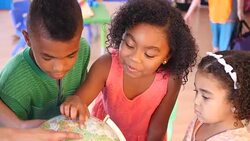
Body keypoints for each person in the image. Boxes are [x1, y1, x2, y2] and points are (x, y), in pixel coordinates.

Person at [60, 0, 198, 140]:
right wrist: (74, 102)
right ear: (122, 36)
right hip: (104, 135)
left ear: (167, 56)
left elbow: (157, 129)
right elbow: (79, 100)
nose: (135, 58)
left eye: (149, 54)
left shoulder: (171, 81)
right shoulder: (106, 65)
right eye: (129, 44)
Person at [0, 0, 90, 128]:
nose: (59, 68)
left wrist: (78, 99)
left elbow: (83, 90)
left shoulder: (83, 49)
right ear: (27, 38)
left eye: (71, 55)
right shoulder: (14, 80)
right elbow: (9, 131)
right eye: (47, 57)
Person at [184, 51, 250, 140]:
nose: (196, 101)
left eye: (205, 97)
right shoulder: (200, 120)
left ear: (235, 101)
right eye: (196, 91)